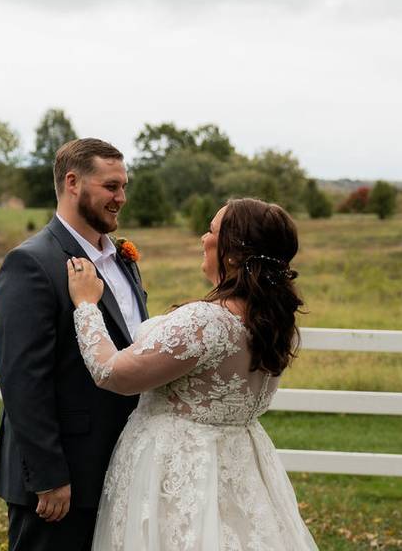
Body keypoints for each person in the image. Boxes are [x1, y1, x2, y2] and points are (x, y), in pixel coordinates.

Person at [66, 198, 318, 550]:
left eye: (212, 230)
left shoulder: (206, 320)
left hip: (177, 471)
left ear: (232, 254)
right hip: (241, 464)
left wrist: (86, 305)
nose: (203, 238)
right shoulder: (274, 321)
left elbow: (111, 373)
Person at [0, 138, 150, 550]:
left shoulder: (122, 260)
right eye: (111, 186)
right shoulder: (31, 263)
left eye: (124, 186)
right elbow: (22, 380)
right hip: (61, 484)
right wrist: (49, 476)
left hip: (118, 466)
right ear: (73, 183)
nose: (121, 198)